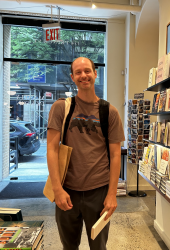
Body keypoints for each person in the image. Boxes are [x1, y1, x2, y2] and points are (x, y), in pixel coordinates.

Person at [47, 57, 125, 250]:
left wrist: (112, 194)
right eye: (79, 72)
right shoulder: (61, 107)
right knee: (69, 246)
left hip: (98, 191)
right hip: (67, 190)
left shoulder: (110, 112)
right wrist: (57, 190)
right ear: (73, 77)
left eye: (87, 71)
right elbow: (52, 149)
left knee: (99, 246)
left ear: (95, 74)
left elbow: (116, 155)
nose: (84, 75)